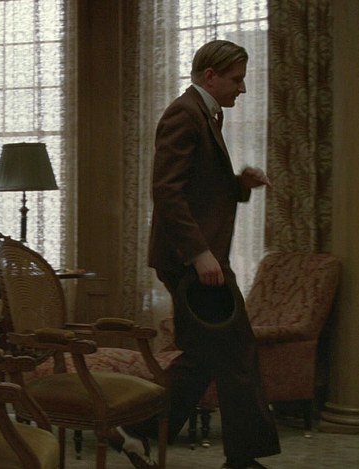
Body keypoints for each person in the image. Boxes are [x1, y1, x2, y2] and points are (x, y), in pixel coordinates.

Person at [126, 40, 281, 469]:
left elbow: (198, 188)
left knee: (205, 356)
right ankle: (239, 459)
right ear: (210, 76)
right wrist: (198, 254)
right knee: (236, 350)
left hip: (199, 258)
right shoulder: (184, 113)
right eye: (237, 79)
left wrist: (239, 184)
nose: (242, 89)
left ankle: (137, 430)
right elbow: (167, 192)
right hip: (192, 261)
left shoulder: (205, 113)